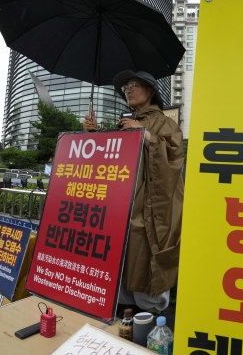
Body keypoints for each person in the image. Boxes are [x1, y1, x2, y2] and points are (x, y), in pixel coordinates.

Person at [84, 70, 184, 314]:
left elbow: (174, 158)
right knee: (123, 254)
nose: (127, 89)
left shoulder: (165, 122)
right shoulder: (124, 124)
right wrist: (94, 136)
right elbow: (108, 163)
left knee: (147, 253)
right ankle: (123, 312)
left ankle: (151, 317)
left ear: (150, 90)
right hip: (123, 206)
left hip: (152, 208)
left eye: (134, 85)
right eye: (125, 87)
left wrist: (145, 134)